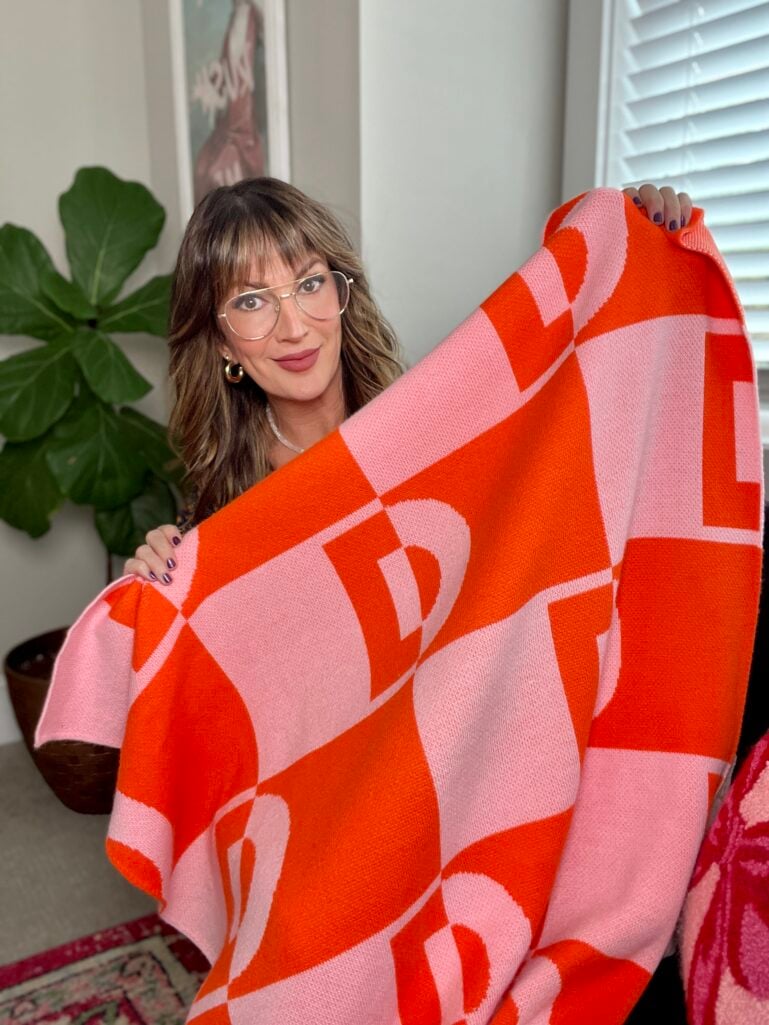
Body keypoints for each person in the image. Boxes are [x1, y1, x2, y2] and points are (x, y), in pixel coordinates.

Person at [124, 178, 693, 584]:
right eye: (251, 301)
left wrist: (633, 238)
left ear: (341, 290)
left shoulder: (431, 427)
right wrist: (155, 585)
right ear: (222, 342)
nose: (294, 327)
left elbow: (562, 437)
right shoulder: (221, 503)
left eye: (308, 284)